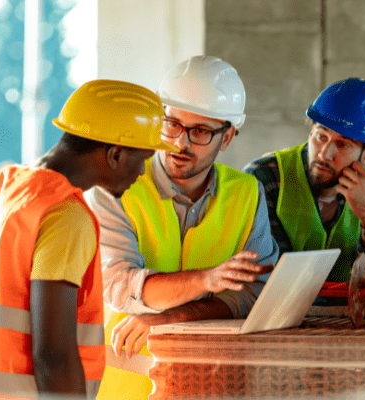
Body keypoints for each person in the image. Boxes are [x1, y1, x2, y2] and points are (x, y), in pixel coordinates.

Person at [0, 79, 178, 400]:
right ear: (115, 155)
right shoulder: (64, 215)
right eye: (143, 158)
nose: (143, 172)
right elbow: (54, 360)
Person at [87, 56, 278, 400]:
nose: (180, 143)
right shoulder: (116, 186)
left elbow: (253, 294)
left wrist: (172, 317)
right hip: (125, 385)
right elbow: (119, 285)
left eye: (200, 131)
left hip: (210, 385)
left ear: (229, 136)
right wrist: (207, 281)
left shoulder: (247, 193)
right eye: (171, 124)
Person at [244, 77, 365, 291]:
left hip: (355, 321)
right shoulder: (265, 179)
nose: (324, 154)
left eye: (342, 144)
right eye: (321, 136)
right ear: (311, 130)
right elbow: (268, 279)